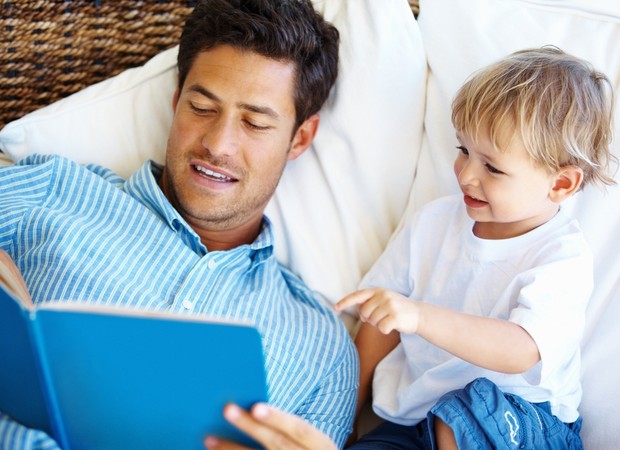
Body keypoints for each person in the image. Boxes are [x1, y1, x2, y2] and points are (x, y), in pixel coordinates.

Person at [0, 1, 358, 449]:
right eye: (203, 107)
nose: (218, 143)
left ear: (300, 138)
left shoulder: (322, 349)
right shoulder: (53, 191)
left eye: (254, 122)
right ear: (176, 101)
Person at [336, 47, 616, 449]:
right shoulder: (432, 223)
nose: (466, 175)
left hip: (522, 419)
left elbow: (522, 349)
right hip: (416, 420)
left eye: (493, 167)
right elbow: (381, 319)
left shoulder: (561, 256)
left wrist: (418, 316)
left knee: (462, 418)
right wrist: (345, 415)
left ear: (561, 185)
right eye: (463, 150)